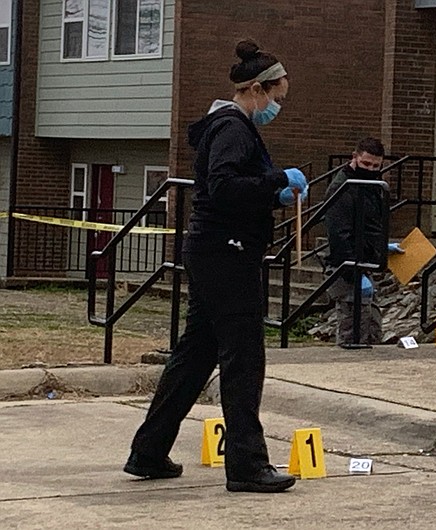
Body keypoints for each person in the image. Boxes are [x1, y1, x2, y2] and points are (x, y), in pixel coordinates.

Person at [123, 39, 307, 494]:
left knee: (195, 356)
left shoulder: (227, 126)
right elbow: (224, 187)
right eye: (277, 98)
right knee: (243, 358)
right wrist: (278, 180)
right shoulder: (232, 128)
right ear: (258, 90)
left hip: (212, 249)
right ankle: (246, 465)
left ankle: (148, 450)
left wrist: (271, 195)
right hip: (228, 254)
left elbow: (229, 187)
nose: (277, 107)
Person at [323, 137, 403, 347]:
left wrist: (380, 248)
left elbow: (368, 225)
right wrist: (353, 271)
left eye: (376, 166)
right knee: (353, 329)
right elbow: (339, 235)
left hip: (363, 262)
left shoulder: (371, 185)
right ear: (354, 157)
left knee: (371, 327)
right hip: (349, 267)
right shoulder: (343, 188)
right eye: (366, 163)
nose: (370, 169)